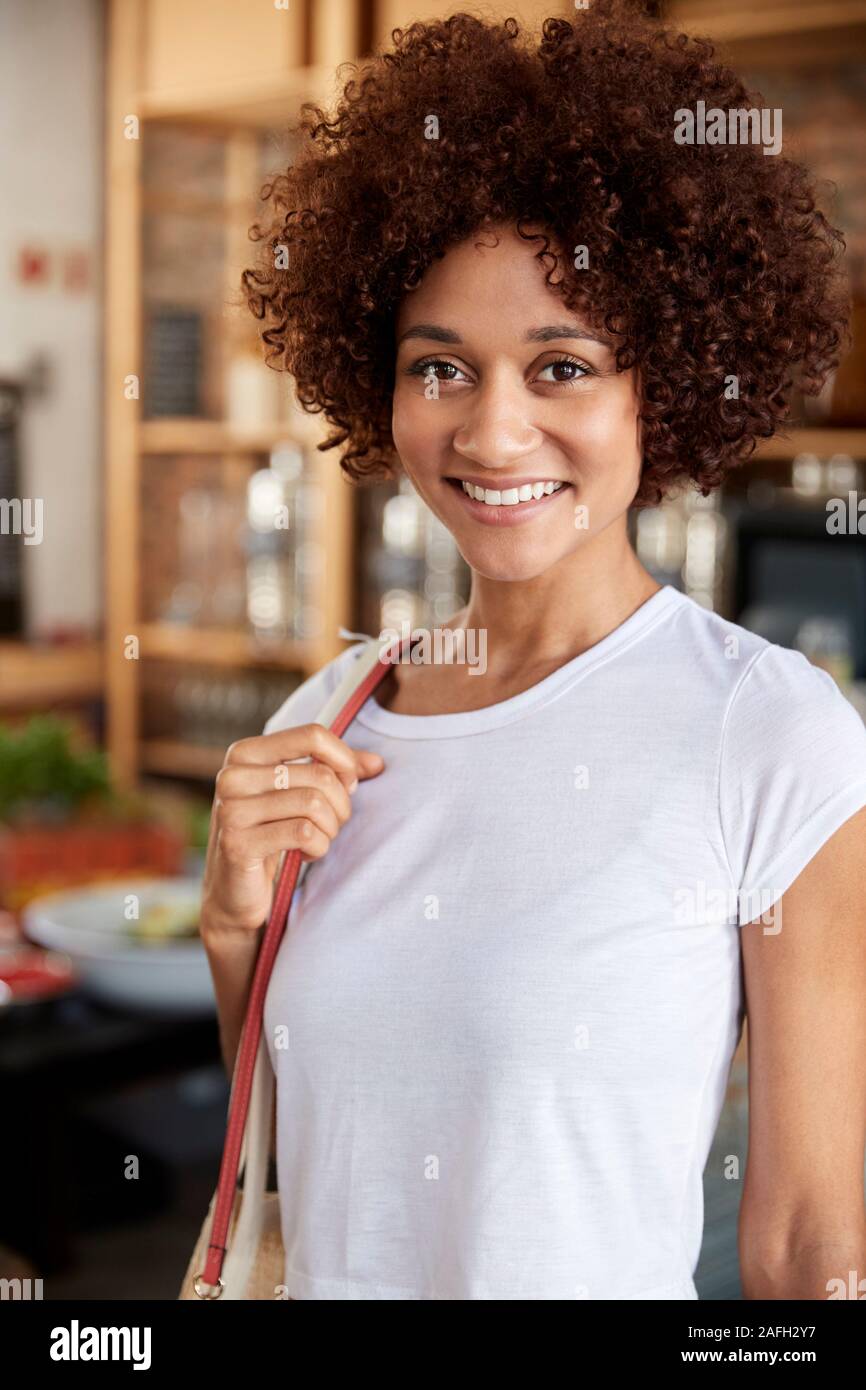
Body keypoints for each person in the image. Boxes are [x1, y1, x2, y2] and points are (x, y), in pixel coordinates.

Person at [200, 3, 866, 1299]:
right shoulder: (335, 709)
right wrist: (234, 925)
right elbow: (289, 1156)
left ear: (658, 383)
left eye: (559, 365)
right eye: (439, 366)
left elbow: (808, 1250)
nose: (493, 433)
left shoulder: (770, 734)